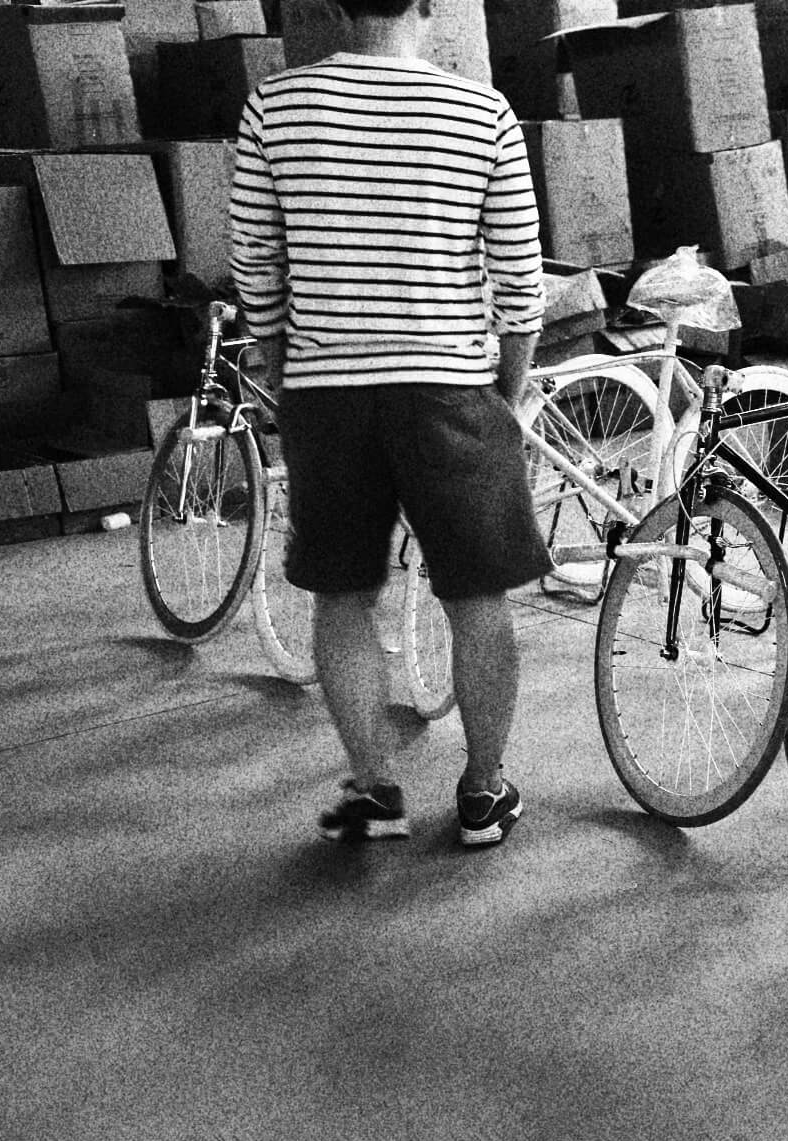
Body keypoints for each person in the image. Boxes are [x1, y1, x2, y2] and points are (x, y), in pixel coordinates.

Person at [229, 0, 550, 847]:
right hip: (449, 393)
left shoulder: (275, 107)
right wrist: (502, 395)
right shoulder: (483, 112)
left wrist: (288, 370)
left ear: (336, 5)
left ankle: (374, 790)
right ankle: (483, 791)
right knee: (476, 599)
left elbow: (256, 266)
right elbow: (522, 286)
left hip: (327, 395)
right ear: (429, 4)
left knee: (342, 596)